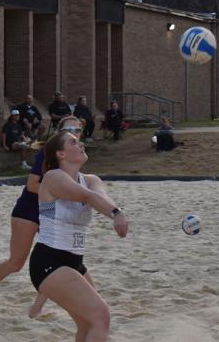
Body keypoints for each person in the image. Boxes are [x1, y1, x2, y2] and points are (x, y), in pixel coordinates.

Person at [28, 127, 128, 341]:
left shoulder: (91, 179)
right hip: (49, 261)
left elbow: (99, 196)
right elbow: (86, 196)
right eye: (73, 142)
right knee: (101, 315)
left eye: (79, 140)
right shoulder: (53, 177)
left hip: (74, 262)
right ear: (60, 154)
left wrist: (115, 211)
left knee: (87, 323)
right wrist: (116, 213)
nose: (80, 143)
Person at [0, 116, 86, 317]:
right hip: (29, 210)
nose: (74, 131)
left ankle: (37, 306)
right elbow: (32, 185)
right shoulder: (48, 153)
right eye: (69, 128)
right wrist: (59, 192)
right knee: (16, 263)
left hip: (53, 213)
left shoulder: (77, 156)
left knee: (60, 259)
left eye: (78, 128)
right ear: (59, 131)